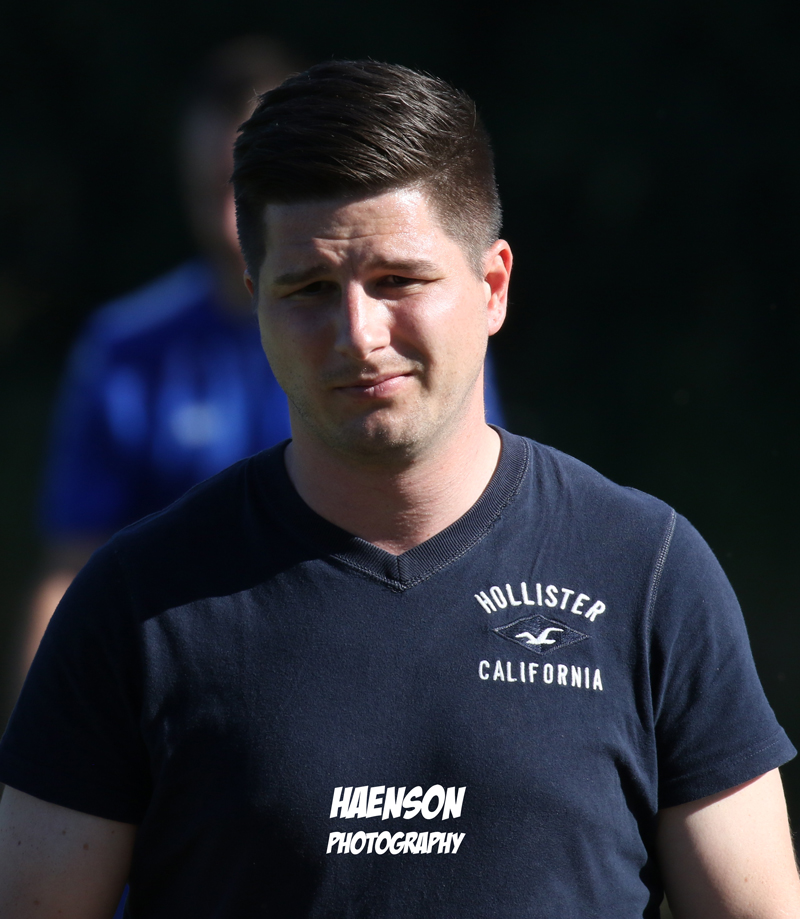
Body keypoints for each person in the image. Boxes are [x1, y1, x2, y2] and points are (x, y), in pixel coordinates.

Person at [0, 60, 797, 918]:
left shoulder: (648, 572)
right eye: (309, 289)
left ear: (492, 286)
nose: (358, 332)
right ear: (257, 304)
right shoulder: (133, 604)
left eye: (399, 280)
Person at [20, 39, 507, 679]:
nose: (360, 337)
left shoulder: (424, 338)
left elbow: (469, 519)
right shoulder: (125, 348)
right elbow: (70, 569)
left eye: (239, 191)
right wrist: (45, 718)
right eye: (209, 194)